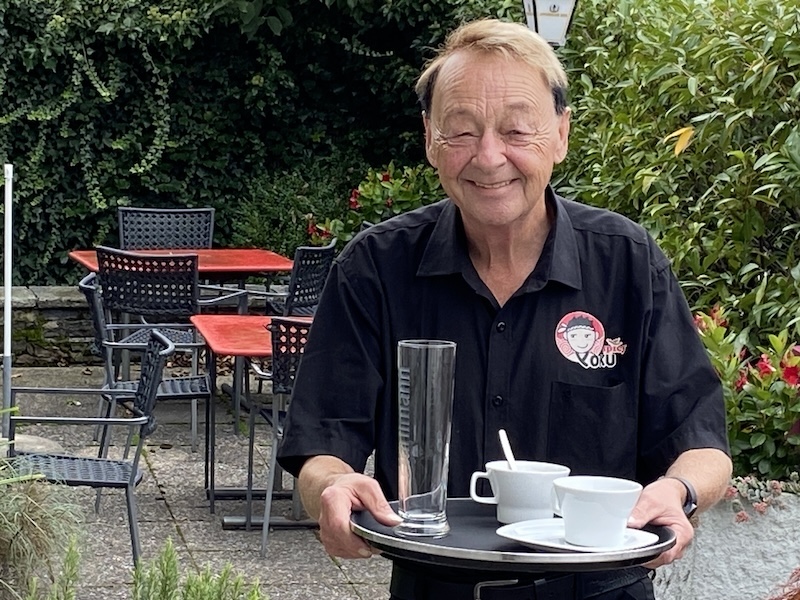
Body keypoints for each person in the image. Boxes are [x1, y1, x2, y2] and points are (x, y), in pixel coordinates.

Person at [277, 18, 732, 600]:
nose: (489, 157)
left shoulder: (628, 264)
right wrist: (334, 488)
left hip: (599, 592)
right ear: (429, 139)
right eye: (461, 131)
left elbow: (701, 442)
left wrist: (679, 493)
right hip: (435, 590)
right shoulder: (375, 270)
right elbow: (323, 442)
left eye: (518, 129)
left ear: (561, 134)